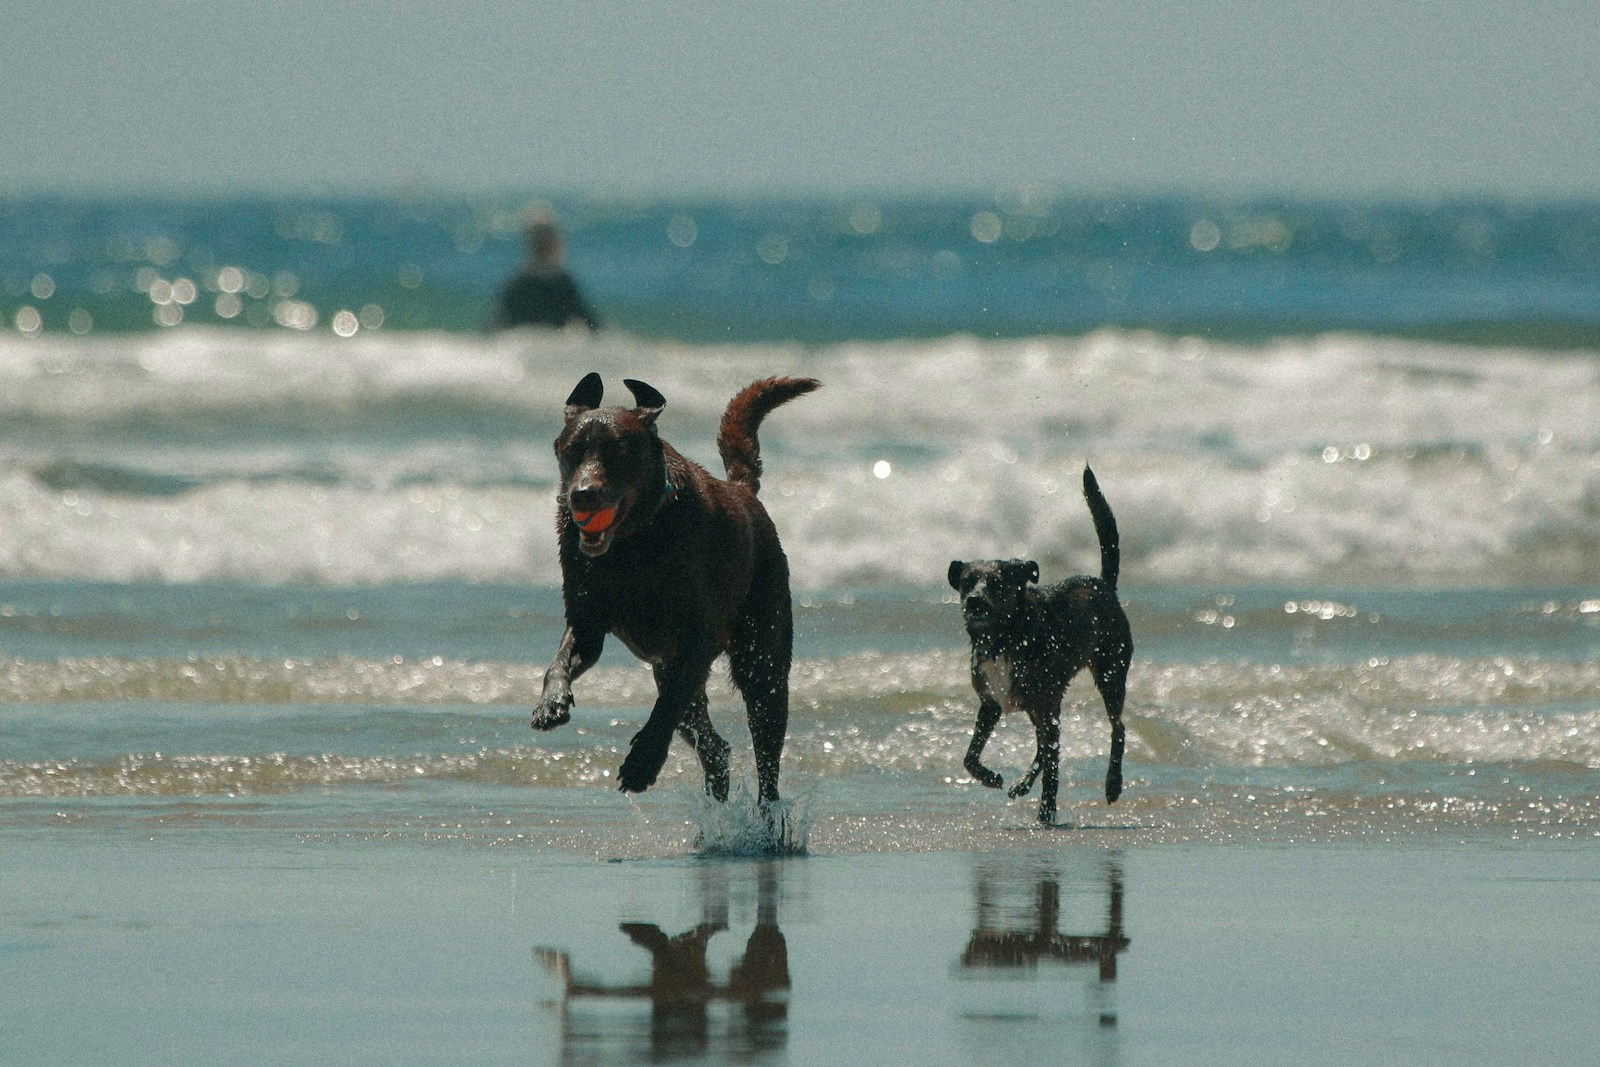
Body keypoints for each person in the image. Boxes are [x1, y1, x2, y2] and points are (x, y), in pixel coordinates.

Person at [492, 211, 600, 331]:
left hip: (524, 346)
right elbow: (593, 326)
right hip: (549, 347)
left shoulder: (516, 285)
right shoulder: (563, 285)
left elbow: (495, 327)